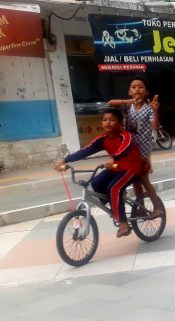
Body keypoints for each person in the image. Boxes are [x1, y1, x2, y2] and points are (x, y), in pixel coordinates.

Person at [53, 109, 144, 238]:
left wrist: (113, 158)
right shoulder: (102, 139)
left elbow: (124, 149)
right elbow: (85, 151)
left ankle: (123, 223)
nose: (108, 122)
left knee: (114, 188)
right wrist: (65, 160)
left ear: (120, 123)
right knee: (96, 182)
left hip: (131, 168)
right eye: (105, 120)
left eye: (112, 120)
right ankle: (116, 205)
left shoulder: (125, 136)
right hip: (115, 168)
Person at [107, 77, 161, 217]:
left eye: (140, 87)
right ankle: (141, 208)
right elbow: (110, 103)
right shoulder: (127, 107)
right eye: (133, 87)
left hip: (143, 151)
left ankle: (157, 208)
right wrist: (128, 101)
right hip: (129, 150)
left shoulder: (148, 109)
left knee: (144, 179)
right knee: (135, 181)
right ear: (129, 91)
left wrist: (155, 111)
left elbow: (155, 127)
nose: (137, 89)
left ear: (146, 91)